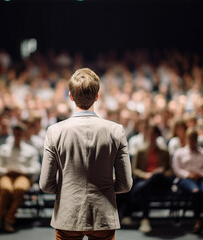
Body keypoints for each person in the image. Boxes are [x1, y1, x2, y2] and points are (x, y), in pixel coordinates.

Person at [39, 68, 133, 240]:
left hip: (68, 214)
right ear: (97, 96)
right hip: (103, 214)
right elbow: (125, 184)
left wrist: (67, 188)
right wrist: (103, 188)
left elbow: (46, 184)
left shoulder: (55, 131)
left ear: (71, 96)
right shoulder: (115, 131)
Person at [0, 122, 40, 232]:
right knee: (6, 189)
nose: (18, 135)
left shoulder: (30, 150)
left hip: (23, 176)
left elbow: (36, 168)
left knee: (19, 189)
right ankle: (0, 217)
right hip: (6, 175)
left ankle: (7, 218)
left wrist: (23, 171)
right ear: (13, 133)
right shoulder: (3, 148)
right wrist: (6, 170)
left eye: (20, 133)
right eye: (16, 133)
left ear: (23, 134)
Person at [130, 125, 173, 233]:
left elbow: (170, 171)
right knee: (146, 189)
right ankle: (145, 220)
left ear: (157, 135)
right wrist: (146, 175)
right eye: (150, 134)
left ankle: (136, 194)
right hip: (147, 181)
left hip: (160, 181)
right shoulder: (140, 151)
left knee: (156, 176)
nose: (152, 136)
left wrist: (161, 172)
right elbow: (135, 170)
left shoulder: (164, 151)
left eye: (154, 134)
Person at [172, 128, 203, 235]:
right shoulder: (179, 152)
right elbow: (176, 169)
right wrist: (188, 175)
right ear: (186, 139)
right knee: (195, 191)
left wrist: (202, 175)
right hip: (186, 179)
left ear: (197, 139)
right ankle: (197, 221)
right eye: (190, 139)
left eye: (194, 139)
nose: (192, 141)